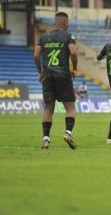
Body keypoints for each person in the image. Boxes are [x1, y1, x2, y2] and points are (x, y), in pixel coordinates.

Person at [33, 12, 78, 150]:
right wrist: (74, 68)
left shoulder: (44, 37)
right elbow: (74, 52)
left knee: (48, 108)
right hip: (62, 74)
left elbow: (36, 55)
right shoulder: (69, 36)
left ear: (55, 22)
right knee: (70, 107)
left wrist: (40, 72)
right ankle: (67, 133)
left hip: (47, 75)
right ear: (65, 23)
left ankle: (46, 139)